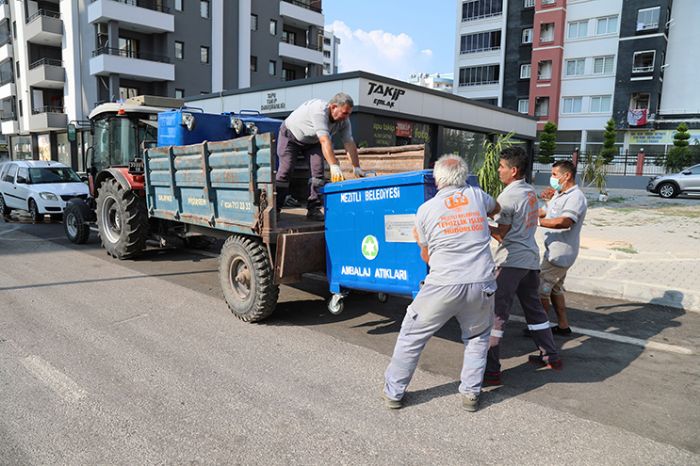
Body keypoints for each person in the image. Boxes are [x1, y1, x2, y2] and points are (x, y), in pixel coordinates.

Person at [383, 154, 500, 412]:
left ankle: (394, 393)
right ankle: (470, 395)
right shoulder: (478, 196)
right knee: (478, 337)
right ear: (464, 176)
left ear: (437, 180)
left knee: (411, 336)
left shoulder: (425, 210)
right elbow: (497, 209)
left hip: (442, 284)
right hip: (481, 282)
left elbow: (426, 256)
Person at [485, 147, 561, 385]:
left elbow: (501, 235)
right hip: (530, 260)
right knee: (535, 312)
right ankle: (550, 356)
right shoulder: (529, 192)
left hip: (510, 262)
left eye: (502, 167)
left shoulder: (507, 197)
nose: (498, 170)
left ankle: (491, 371)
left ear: (513, 170)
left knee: (496, 315)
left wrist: (479, 222)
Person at [275, 93, 365, 221]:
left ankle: (313, 209)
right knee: (285, 170)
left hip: (312, 141)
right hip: (290, 135)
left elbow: (349, 143)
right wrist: (334, 166)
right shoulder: (319, 111)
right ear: (333, 107)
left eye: (349, 113)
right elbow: (325, 140)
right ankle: (276, 208)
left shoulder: (344, 120)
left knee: (318, 172)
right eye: (345, 113)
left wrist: (356, 167)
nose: (347, 117)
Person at [537, 160, 588, 336]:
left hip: (560, 254)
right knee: (555, 289)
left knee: (541, 290)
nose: (552, 178)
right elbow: (545, 212)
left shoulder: (575, 197)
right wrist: (524, 211)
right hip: (554, 250)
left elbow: (564, 221)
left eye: (554, 175)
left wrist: (536, 222)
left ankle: (540, 329)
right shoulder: (560, 194)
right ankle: (563, 326)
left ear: (566, 176)